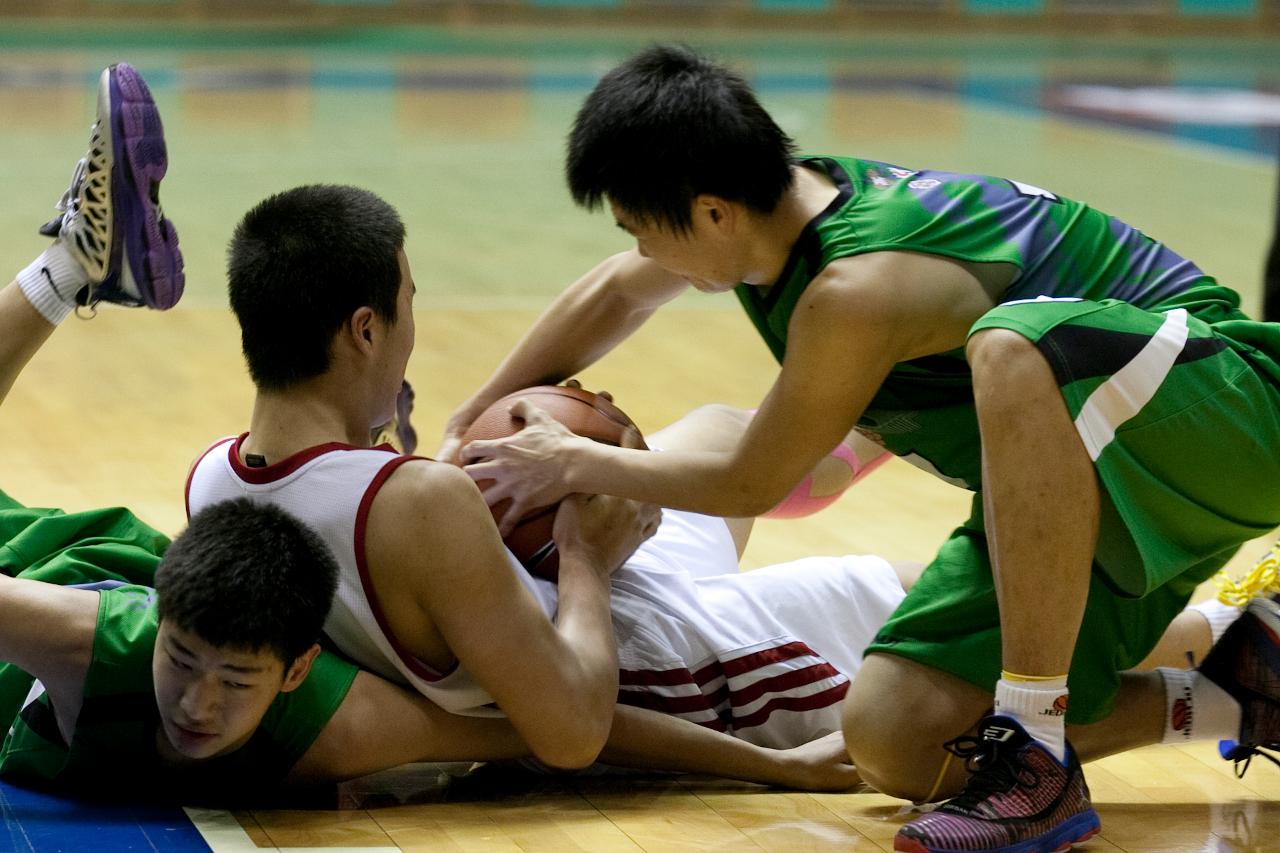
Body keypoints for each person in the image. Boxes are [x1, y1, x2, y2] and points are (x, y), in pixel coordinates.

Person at [440, 44, 1280, 852]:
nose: (642, 252)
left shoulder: (857, 283)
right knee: (896, 733)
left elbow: (753, 478)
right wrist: (469, 419)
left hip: (1232, 415)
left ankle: (1035, 749)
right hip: (1108, 472)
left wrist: (571, 461)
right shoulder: (776, 209)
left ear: (710, 213)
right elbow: (618, 290)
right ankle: (1243, 689)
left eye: (644, 230)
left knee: (1013, 345)